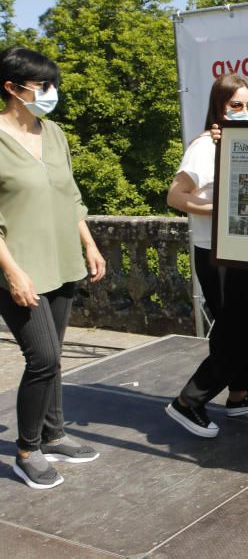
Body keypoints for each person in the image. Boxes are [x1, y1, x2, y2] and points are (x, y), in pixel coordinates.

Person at [0, 47, 106, 489]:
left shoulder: (55, 133)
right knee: (42, 357)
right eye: (43, 86)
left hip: (62, 259)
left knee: (56, 355)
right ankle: (28, 451)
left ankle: (54, 432)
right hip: (18, 265)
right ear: (11, 87)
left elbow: (70, 196)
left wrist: (89, 244)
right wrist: (12, 272)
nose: (51, 93)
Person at [165, 73, 248, 438]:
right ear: (219, 108)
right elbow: (175, 196)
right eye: (235, 106)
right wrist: (220, 207)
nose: (244, 112)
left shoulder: (243, 144)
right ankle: (188, 402)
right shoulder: (204, 147)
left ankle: (240, 395)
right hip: (216, 255)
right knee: (235, 334)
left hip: (243, 250)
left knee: (247, 326)